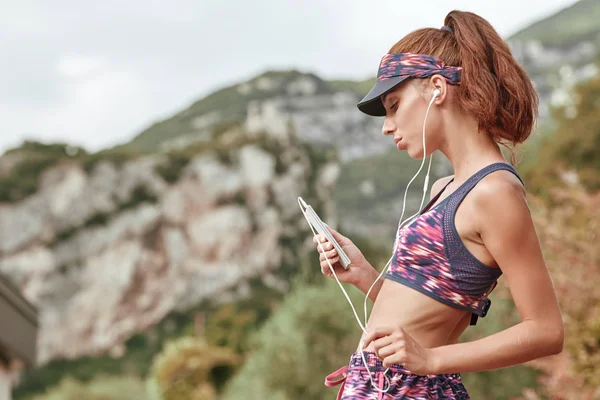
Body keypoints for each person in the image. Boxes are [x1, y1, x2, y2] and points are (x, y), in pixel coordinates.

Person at [312, 10, 564, 400]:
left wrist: (431, 360)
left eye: (394, 105)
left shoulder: (494, 192)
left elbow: (545, 331)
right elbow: (428, 313)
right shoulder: (448, 186)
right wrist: (363, 274)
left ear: (436, 88)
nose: (386, 126)